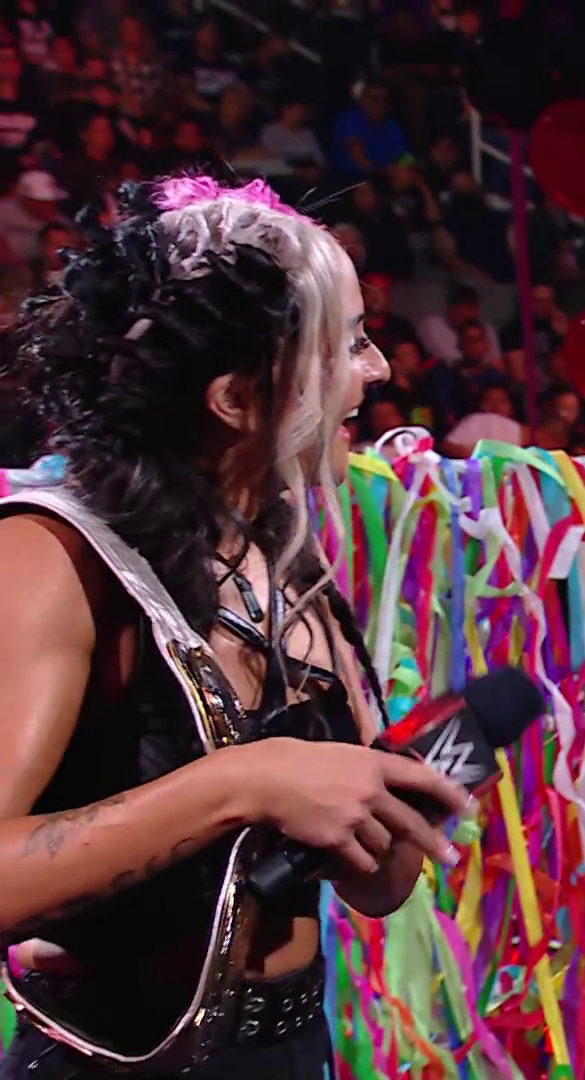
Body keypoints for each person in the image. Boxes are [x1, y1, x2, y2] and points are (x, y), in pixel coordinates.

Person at [0, 176, 471, 1079]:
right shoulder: (51, 557)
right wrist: (245, 781)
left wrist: (395, 811)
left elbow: (375, 889)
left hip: (289, 1050)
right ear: (235, 399)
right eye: (348, 344)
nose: (378, 370)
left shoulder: (283, 555)